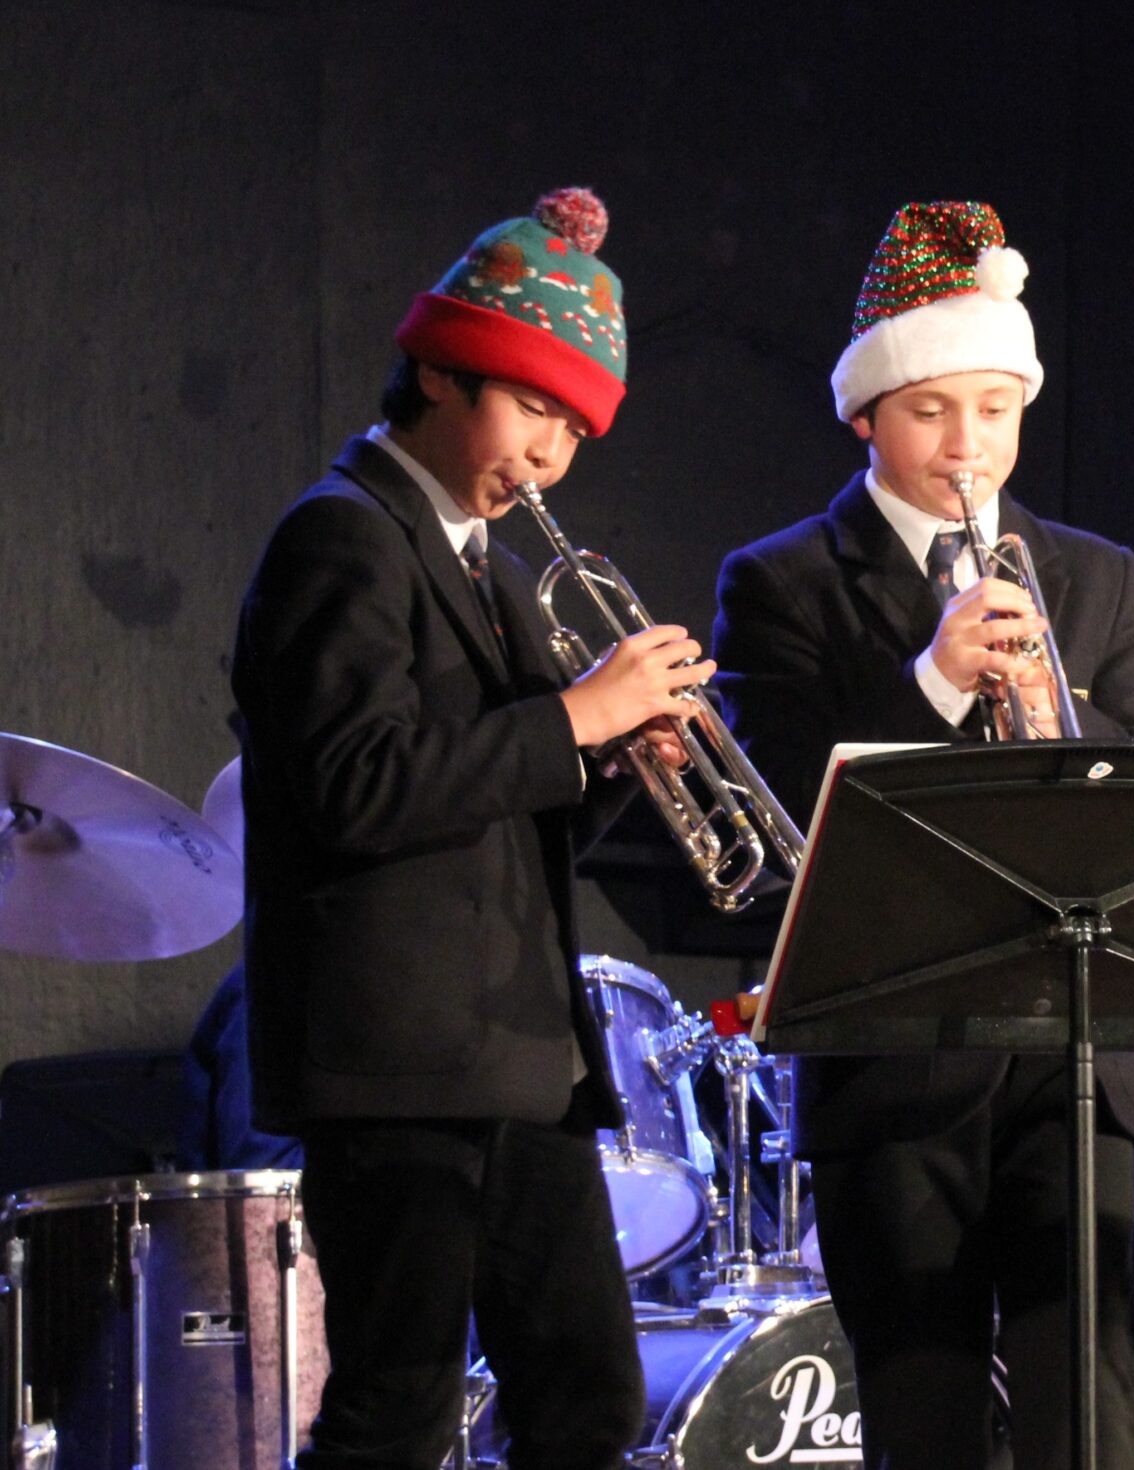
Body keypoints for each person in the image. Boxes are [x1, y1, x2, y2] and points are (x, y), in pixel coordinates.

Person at [231, 188, 702, 1470]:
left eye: (573, 427)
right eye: (534, 408)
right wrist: (576, 720)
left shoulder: (486, 561)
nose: (552, 455)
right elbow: (352, 786)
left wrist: (616, 756)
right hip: (398, 1062)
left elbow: (495, 795)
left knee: (590, 1404)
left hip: (512, 1060)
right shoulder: (341, 538)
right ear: (440, 370)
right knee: (395, 1409)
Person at [711, 199, 1134, 1470]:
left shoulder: (1093, 576)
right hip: (893, 1055)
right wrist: (926, 686)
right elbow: (771, 801)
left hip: (1072, 1049)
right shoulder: (783, 578)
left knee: (1093, 1405)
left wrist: (1055, 727)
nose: (968, 444)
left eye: (996, 410)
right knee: (923, 1411)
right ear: (866, 413)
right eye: (930, 411)